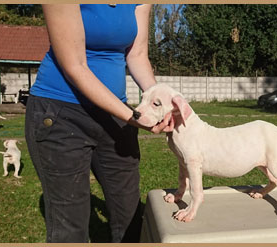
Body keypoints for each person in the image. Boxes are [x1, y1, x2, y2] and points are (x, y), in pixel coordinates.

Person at [25, 4, 173, 243]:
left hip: (115, 116)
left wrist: (161, 101)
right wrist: (134, 117)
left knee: (130, 215)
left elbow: (136, 55)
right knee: (70, 226)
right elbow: (75, 66)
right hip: (61, 114)